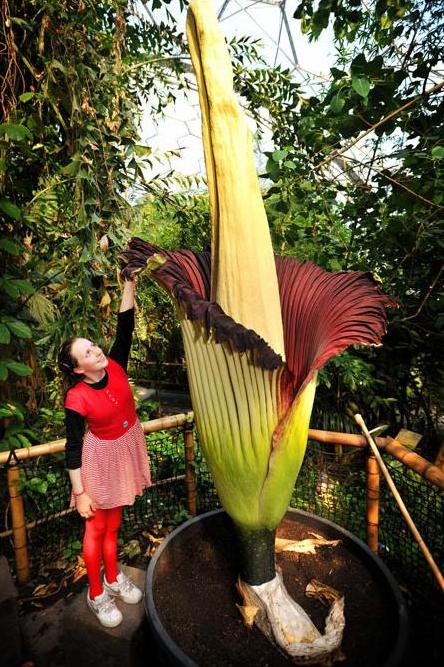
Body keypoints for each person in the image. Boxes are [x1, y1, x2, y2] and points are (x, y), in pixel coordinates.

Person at [58, 278, 151, 628]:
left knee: (114, 525)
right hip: (99, 461)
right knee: (95, 528)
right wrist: (80, 493)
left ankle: (112, 577)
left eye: (93, 345)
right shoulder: (76, 398)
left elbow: (124, 326)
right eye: (87, 353)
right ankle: (96, 593)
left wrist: (129, 283)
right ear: (78, 369)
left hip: (125, 450)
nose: (96, 351)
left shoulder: (114, 364)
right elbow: (72, 447)